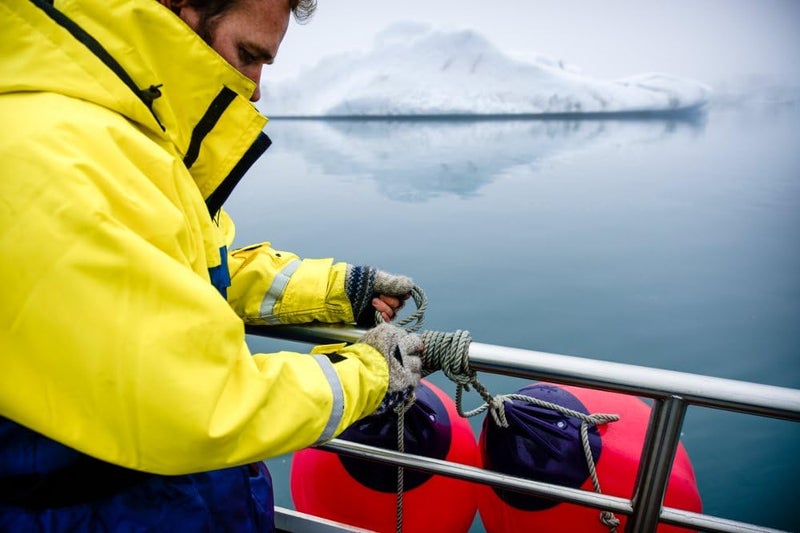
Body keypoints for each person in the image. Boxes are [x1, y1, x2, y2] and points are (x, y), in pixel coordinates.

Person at [0, 0, 424, 530]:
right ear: (175, 11)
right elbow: (200, 405)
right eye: (247, 55)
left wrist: (340, 289)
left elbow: (188, 266)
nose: (255, 88)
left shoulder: (123, 138)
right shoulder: (50, 152)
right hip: (97, 512)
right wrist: (372, 374)